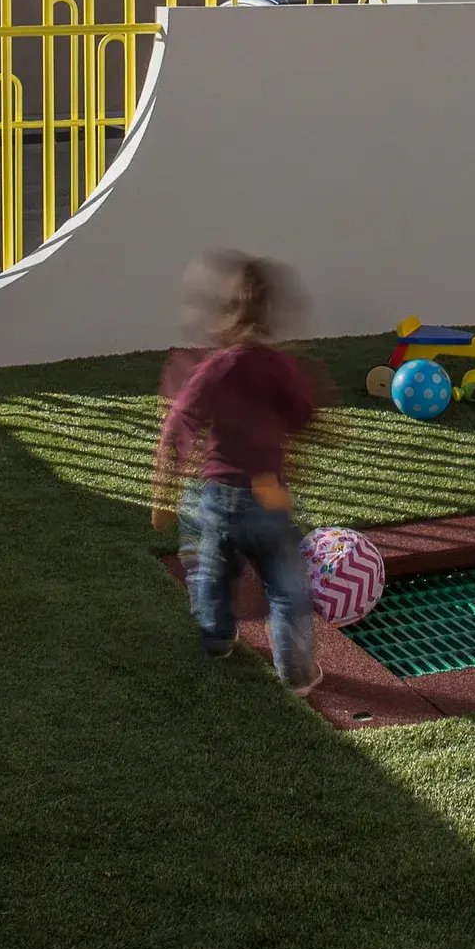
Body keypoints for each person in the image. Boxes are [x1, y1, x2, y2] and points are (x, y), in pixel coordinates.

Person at [152, 251, 326, 694]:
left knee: (214, 571)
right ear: (270, 312)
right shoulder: (279, 367)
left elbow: (178, 426)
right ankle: (297, 673)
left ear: (225, 313)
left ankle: (217, 638)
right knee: (287, 587)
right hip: (267, 494)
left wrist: (164, 492)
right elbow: (303, 418)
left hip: (220, 496)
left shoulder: (216, 367)